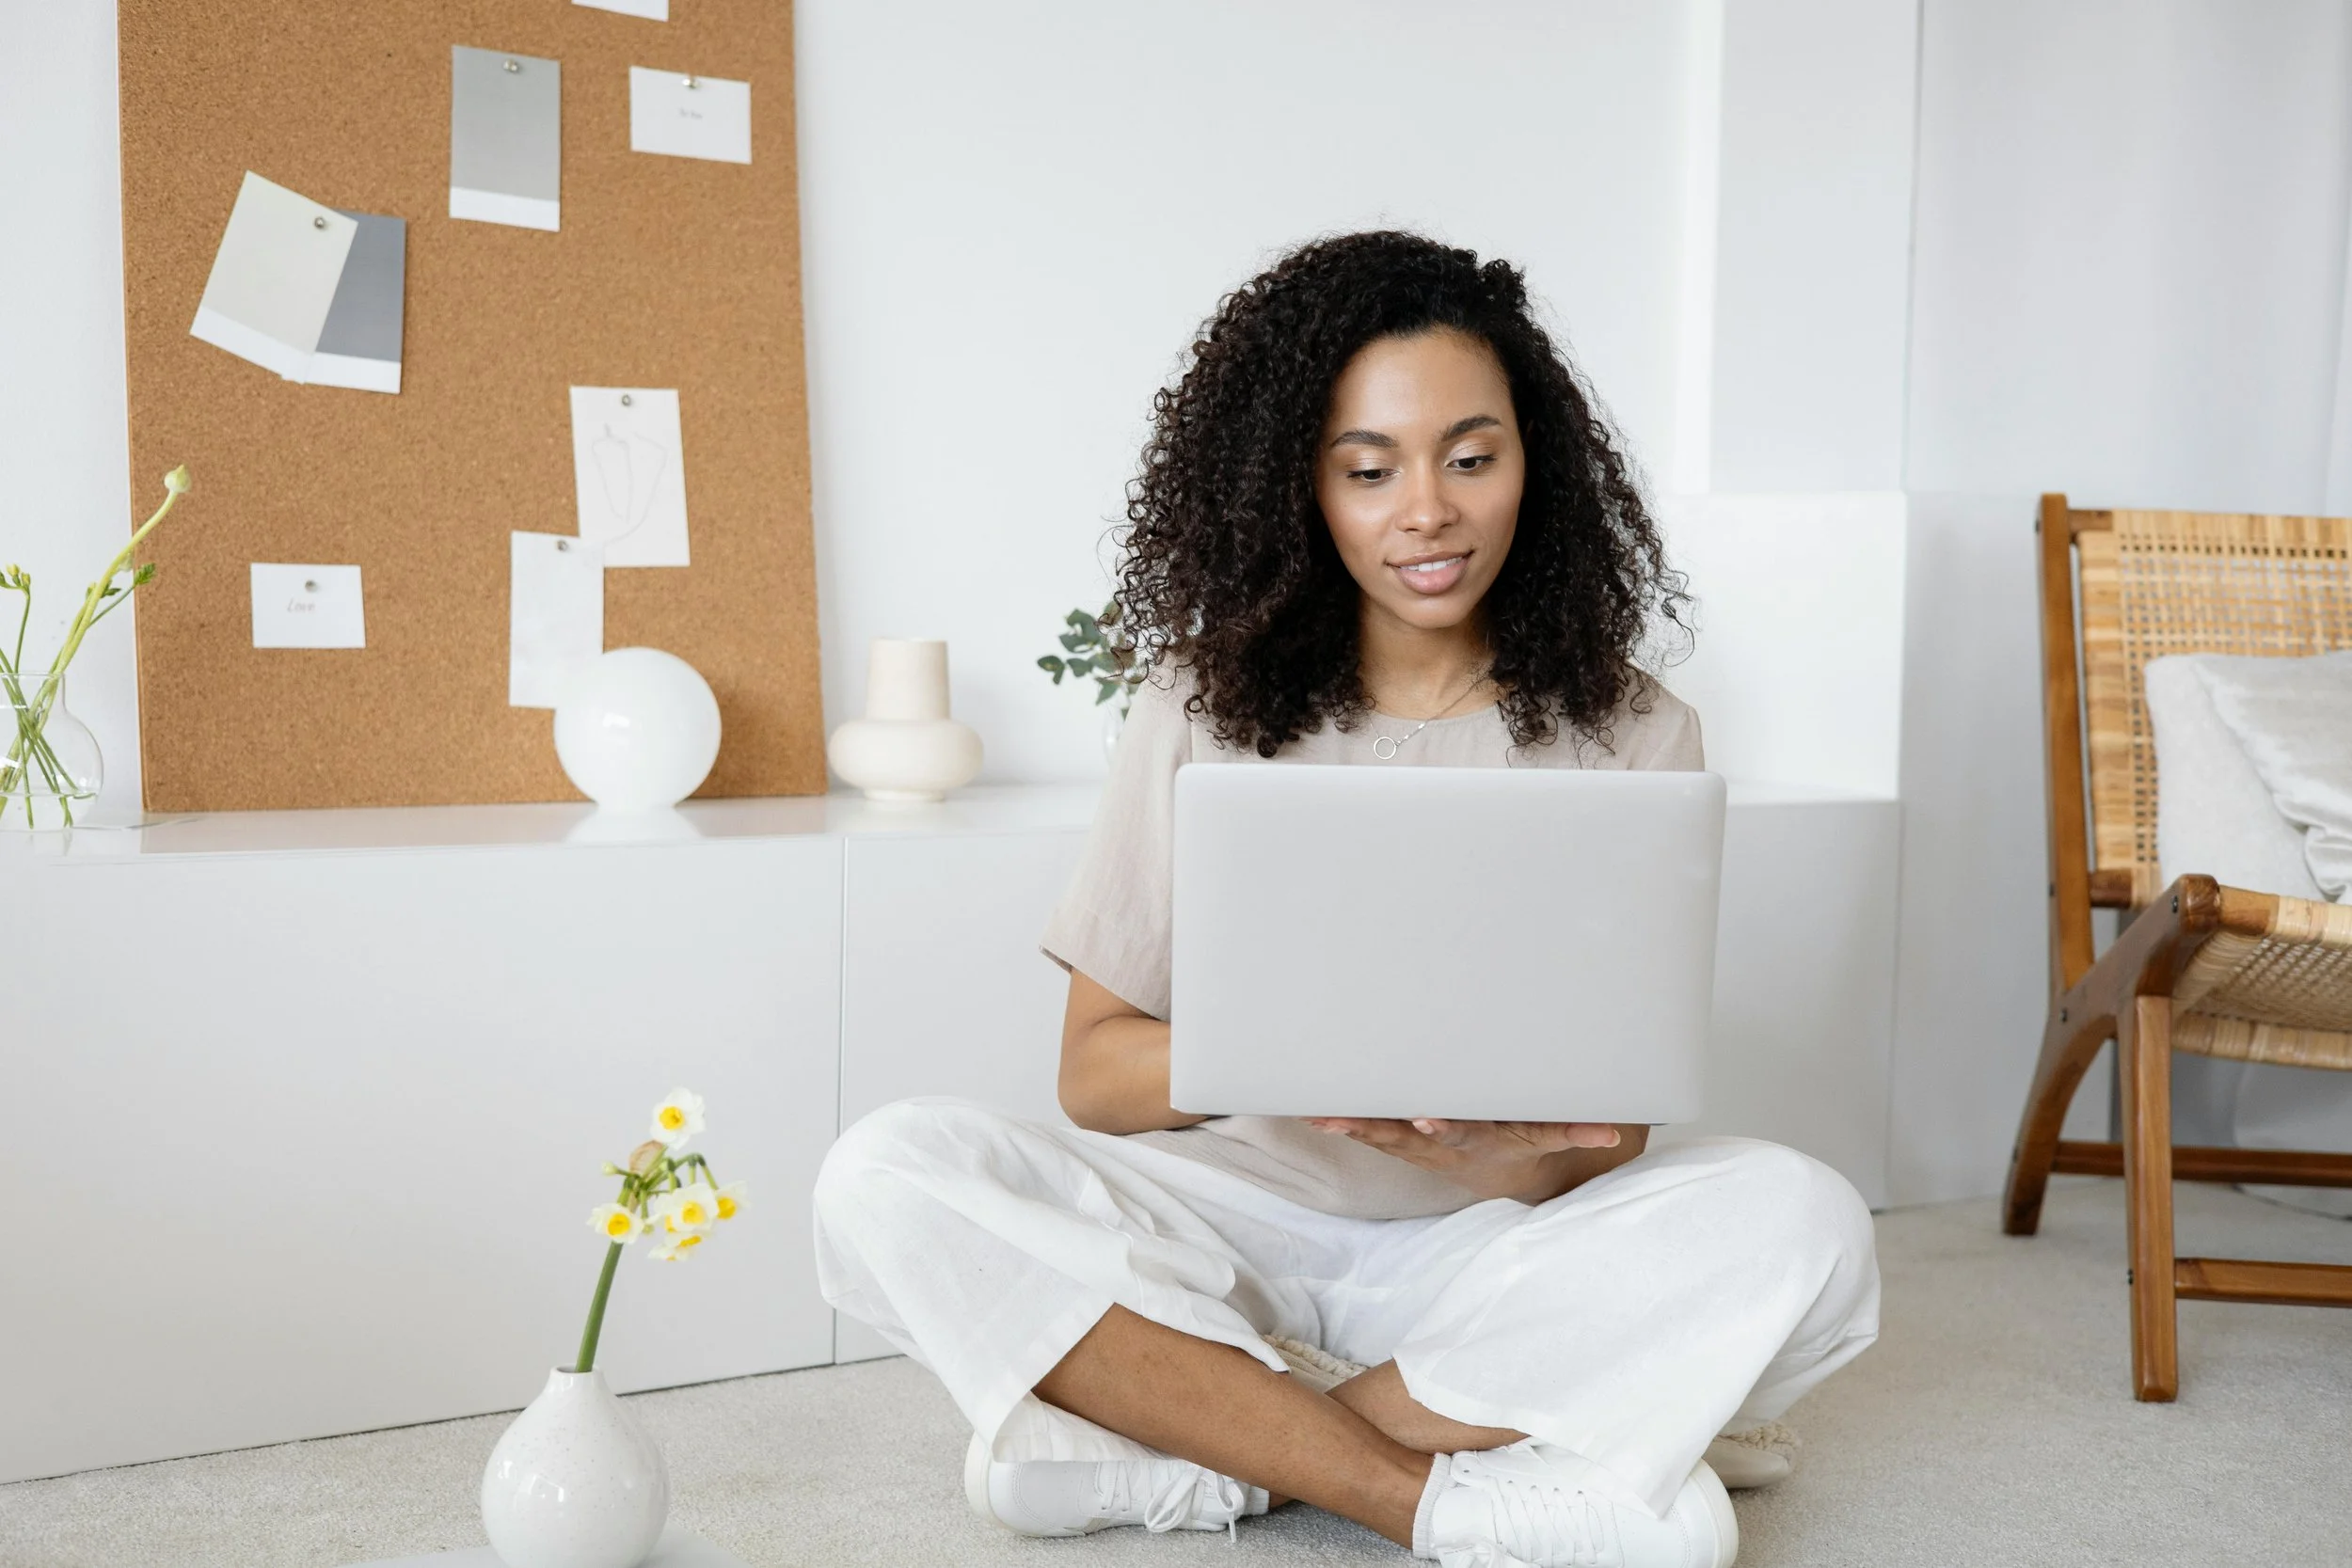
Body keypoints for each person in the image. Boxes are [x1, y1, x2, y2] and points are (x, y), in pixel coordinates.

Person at [813, 230, 1879, 1568]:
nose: (1425, 510)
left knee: (1809, 1222)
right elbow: (1092, 1075)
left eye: (1470, 458)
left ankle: (1210, 1445)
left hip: (1477, 1255)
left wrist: (1487, 1150)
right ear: (1299, 488)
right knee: (885, 1173)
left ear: (1532, 466)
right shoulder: (1201, 705)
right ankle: (1431, 1490)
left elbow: (1613, 1141)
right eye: (1369, 470)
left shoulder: (1639, 730)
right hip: (1216, 1240)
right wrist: (1282, 1062)